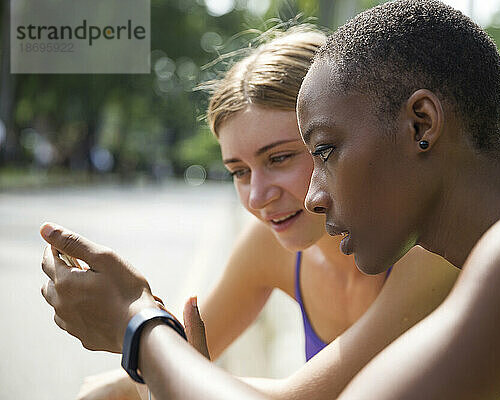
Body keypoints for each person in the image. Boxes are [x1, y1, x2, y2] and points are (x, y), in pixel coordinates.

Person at [40, 1, 500, 399]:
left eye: (323, 152)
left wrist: (136, 324)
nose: (309, 194)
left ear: (421, 123)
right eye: (237, 170)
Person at [65, 27, 459, 400]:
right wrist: (122, 382)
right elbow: (186, 350)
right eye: (239, 171)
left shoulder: (430, 249)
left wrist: (133, 320)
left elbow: (308, 396)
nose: (257, 196)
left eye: (280, 157)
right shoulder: (270, 247)